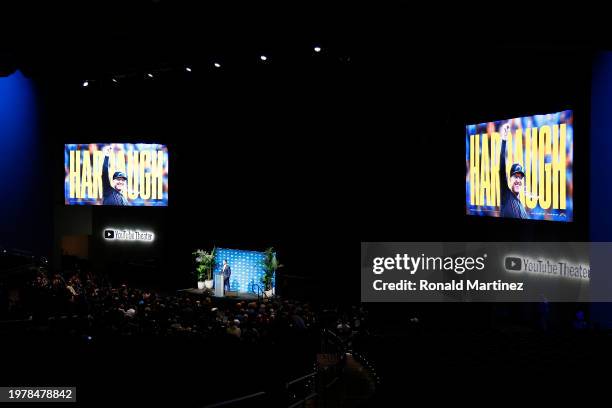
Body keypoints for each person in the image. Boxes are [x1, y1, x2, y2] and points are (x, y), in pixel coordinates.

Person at [499, 123, 529, 219]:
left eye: (520, 177)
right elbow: (502, 169)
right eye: (515, 176)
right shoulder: (506, 194)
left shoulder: (522, 209)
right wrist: (504, 140)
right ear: (510, 179)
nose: (518, 180)